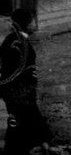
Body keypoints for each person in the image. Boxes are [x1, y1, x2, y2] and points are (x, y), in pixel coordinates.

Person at [0, 8, 52, 155]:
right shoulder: (17, 43)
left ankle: (36, 145)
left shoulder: (13, 40)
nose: (35, 24)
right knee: (21, 123)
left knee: (20, 124)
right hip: (19, 94)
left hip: (18, 93)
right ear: (27, 24)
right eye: (33, 21)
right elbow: (15, 72)